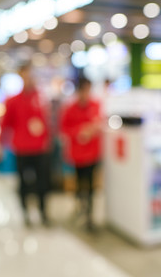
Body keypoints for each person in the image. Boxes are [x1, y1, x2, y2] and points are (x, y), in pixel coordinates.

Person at [0, 63, 51, 227]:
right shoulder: (13, 101)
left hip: (40, 148)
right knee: (23, 183)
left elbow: (46, 122)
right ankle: (26, 213)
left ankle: (43, 213)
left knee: (43, 182)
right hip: (21, 148)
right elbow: (5, 124)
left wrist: (46, 139)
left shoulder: (41, 98)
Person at [60, 77, 102, 232]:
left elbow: (99, 124)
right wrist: (79, 132)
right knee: (79, 183)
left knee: (91, 186)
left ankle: (89, 217)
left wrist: (92, 129)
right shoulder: (70, 108)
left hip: (92, 153)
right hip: (77, 154)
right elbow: (64, 129)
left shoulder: (95, 105)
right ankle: (80, 207)